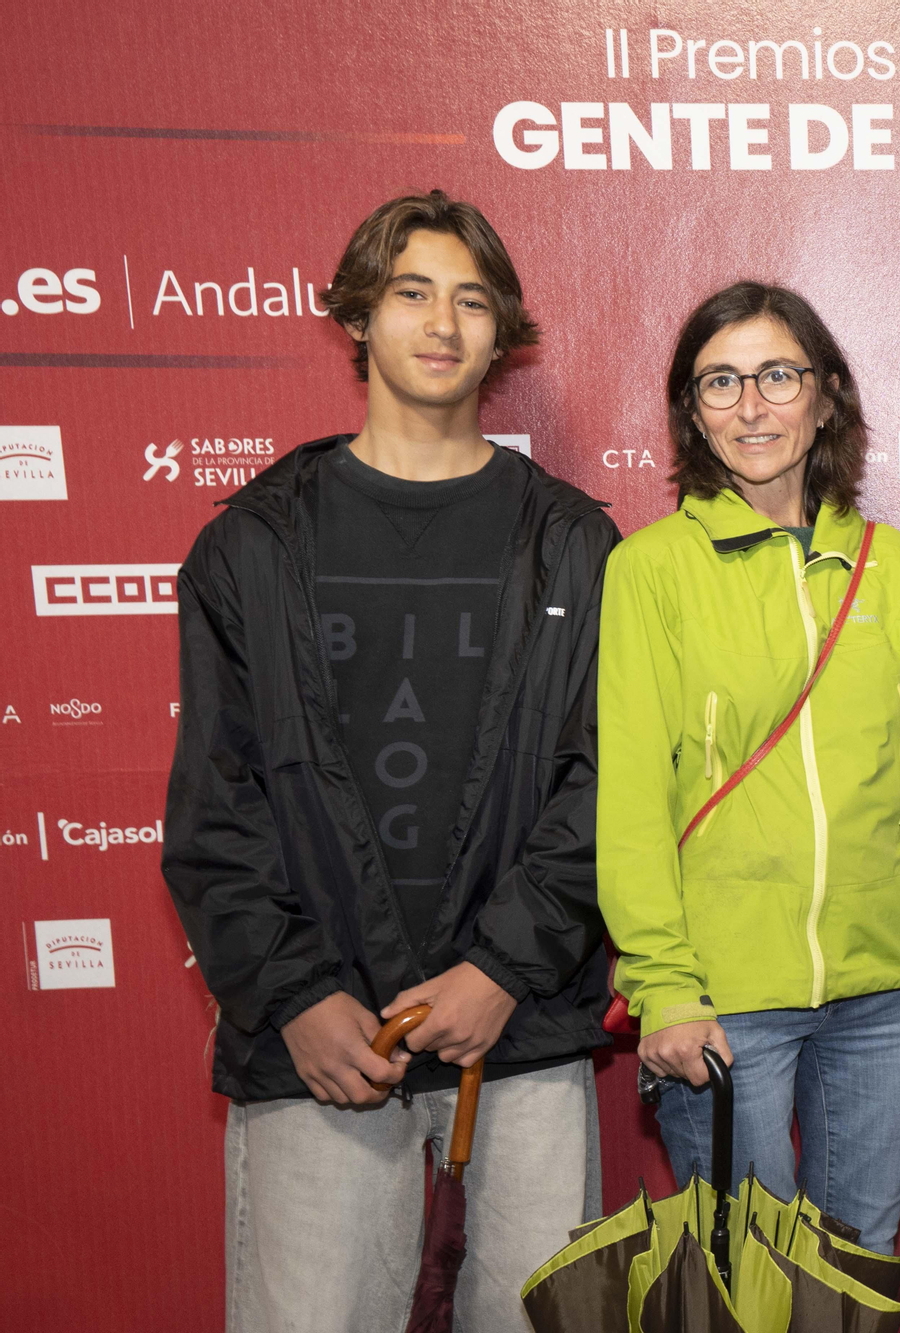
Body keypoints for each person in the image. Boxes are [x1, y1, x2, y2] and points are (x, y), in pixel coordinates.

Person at [163, 190, 617, 1332]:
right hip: (319, 1037)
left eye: (471, 300)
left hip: (518, 1023)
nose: (441, 323)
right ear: (356, 316)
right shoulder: (252, 544)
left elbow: (608, 786)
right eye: (411, 291)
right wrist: (294, 994)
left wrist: (500, 970)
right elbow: (215, 803)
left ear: (501, 332)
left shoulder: (571, 542)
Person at [597, 281, 900, 1255]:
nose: (751, 405)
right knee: (747, 1289)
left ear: (825, 395)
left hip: (877, 993)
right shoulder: (650, 569)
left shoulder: (891, 569)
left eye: (776, 374)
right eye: (718, 382)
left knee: (853, 1274)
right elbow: (634, 796)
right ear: (691, 410)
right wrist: (662, 986)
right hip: (725, 1004)